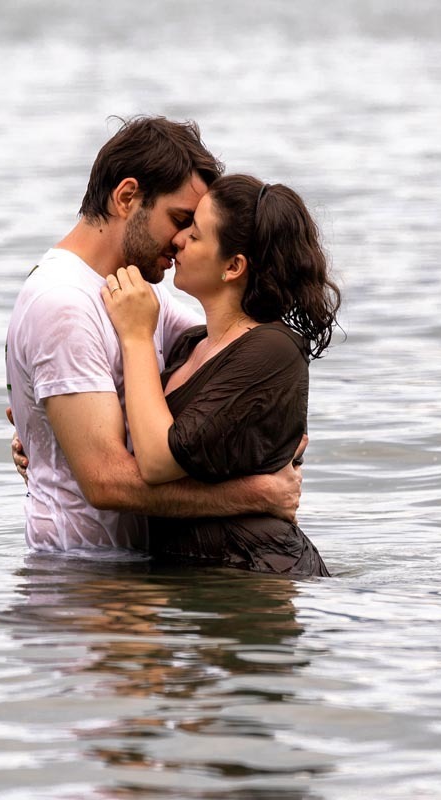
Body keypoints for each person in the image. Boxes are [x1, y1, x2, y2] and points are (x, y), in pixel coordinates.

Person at [5, 117, 305, 554]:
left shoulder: (135, 296)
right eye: (180, 219)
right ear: (127, 196)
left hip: (137, 577)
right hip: (82, 580)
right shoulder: (63, 303)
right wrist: (254, 494)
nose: (183, 239)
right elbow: (106, 482)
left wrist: (274, 426)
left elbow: (233, 362)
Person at [101, 174, 340, 577]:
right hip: (203, 581)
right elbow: (138, 429)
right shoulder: (192, 343)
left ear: (233, 266)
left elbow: (158, 462)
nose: (178, 240)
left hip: (259, 576)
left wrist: (137, 336)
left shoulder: (273, 349)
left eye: (194, 235)